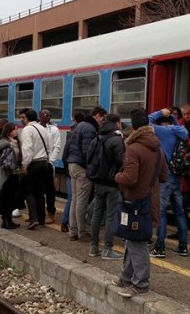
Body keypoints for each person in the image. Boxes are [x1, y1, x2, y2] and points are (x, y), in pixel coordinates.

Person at [114, 109, 167, 297]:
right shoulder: (158, 148)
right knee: (133, 239)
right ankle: (126, 277)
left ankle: (141, 283)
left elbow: (129, 178)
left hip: (134, 201)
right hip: (150, 199)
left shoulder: (133, 148)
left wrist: (117, 176)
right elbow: (164, 176)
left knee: (137, 242)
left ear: (134, 126)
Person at [148, 108, 189, 258]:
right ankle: (183, 247)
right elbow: (179, 127)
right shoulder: (180, 130)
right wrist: (173, 118)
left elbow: (144, 121)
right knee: (180, 212)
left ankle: (160, 247)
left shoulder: (162, 131)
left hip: (165, 177)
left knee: (161, 212)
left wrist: (160, 113)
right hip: (177, 177)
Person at [88, 113, 125, 260]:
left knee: (97, 214)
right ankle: (108, 249)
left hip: (98, 181)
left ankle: (93, 247)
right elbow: (122, 162)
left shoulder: (97, 138)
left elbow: (89, 157)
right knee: (110, 216)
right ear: (116, 123)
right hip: (112, 183)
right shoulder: (117, 140)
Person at [66, 106, 106, 240]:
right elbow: (88, 152)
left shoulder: (80, 125)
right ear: (97, 115)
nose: (102, 121)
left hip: (73, 164)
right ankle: (82, 232)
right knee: (81, 201)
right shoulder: (90, 128)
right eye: (102, 118)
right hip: (82, 167)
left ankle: (73, 231)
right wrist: (93, 169)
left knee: (75, 199)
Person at [19, 109, 52, 230]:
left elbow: (27, 149)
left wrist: (24, 165)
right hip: (44, 162)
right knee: (40, 192)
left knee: (29, 191)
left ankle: (33, 218)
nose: (22, 120)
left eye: (23, 118)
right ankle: (42, 219)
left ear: (27, 118)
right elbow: (49, 146)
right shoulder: (43, 129)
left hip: (34, 163)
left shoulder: (27, 130)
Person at [0, 122, 22, 229]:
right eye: (14, 130)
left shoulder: (17, 142)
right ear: (8, 131)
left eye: (17, 129)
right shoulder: (4, 142)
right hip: (5, 176)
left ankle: (9, 220)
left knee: (12, 198)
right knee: (5, 198)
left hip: (15, 174)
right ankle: (5, 220)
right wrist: (8, 144)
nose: (16, 131)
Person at [39, 109, 62, 225]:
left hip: (47, 163)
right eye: (44, 115)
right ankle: (38, 213)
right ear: (39, 116)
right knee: (37, 189)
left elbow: (57, 146)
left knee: (49, 190)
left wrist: (51, 161)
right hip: (37, 162)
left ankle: (51, 213)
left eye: (48, 115)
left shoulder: (54, 129)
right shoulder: (36, 128)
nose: (46, 116)